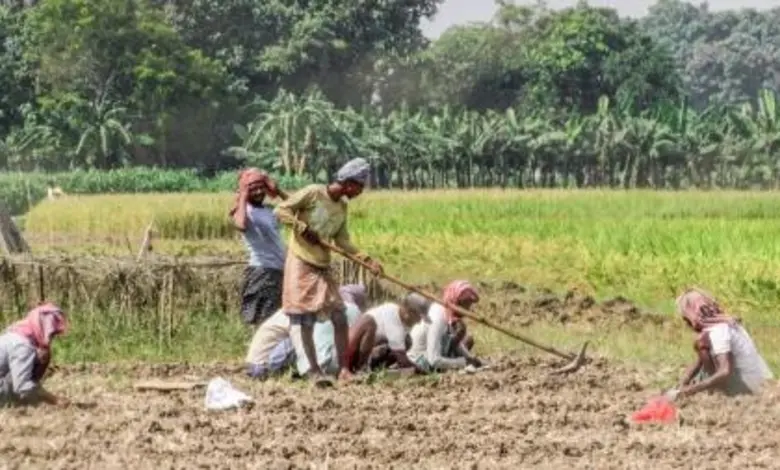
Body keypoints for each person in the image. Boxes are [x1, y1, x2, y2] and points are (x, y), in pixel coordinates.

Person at [274, 158, 382, 385]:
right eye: (359, 186)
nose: (360, 192)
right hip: (301, 261)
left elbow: (342, 241)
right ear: (348, 183)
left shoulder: (342, 207)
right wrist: (302, 228)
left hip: (322, 265)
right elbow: (281, 210)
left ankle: (344, 370)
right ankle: (314, 371)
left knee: (339, 316)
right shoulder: (313, 193)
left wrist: (367, 260)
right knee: (305, 319)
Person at [666, 288, 773, 400]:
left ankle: (718, 392)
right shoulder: (726, 323)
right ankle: (711, 388)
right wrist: (682, 383)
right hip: (762, 382)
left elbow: (725, 371)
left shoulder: (717, 332)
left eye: (686, 319)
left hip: (749, 388)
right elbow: (699, 362)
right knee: (702, 349)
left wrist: (687, 391)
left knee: (700, 345)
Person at [245, 285, 367, 380]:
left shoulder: (297, 309)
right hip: (263, 365)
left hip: (255, 363)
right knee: (302, 339)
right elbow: (300, 342)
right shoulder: (298, 313)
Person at [229, 168, 286, 327]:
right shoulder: (244, 210)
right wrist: (243, 196)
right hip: (262, 270)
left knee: (276, 321)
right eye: (253, 189)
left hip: (278, 270)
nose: (259, 192)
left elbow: (297, 209)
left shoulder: (269, 210)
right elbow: (240, 225)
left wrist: (277, 190)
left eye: (261, 188)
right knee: (264, 322)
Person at [0, 303, 69, 406]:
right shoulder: (23, 346)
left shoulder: (17, 333)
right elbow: (22, 385)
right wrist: (54, 400)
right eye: (51, 334)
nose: (51, 339)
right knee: (22, 386)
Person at [407, 280, 482, 373]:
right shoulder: (438, 319)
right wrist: (464, 362)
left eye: (469, 305)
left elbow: (449, 340)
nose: (467, 310)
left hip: (432, 355)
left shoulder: (447, 314)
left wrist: (470, 358)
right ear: (456, 301)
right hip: (419, 361)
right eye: (465, 305)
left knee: (466, 337)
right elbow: (434, 360)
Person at [345, 292, 430, 372]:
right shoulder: (392, 318)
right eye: (418, 318)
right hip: (349, 354)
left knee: (407, 341)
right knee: (370, 324)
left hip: (368, 351)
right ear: (409, 312)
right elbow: (402, 360)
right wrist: (421, 371)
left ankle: (374, 368)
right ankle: (361, 368)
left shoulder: (399, 318)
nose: (419, 322)